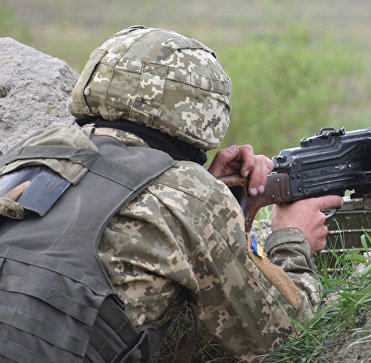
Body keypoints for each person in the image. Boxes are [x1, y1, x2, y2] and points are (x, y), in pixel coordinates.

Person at [0, 26, 342, 362]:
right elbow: (285, 335)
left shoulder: (29, 153)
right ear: (201, 113)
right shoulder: (189, 194)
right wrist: (291, 239)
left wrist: (200, 198)